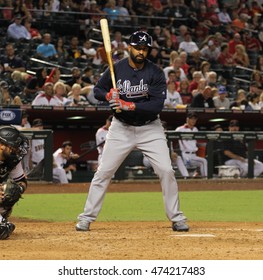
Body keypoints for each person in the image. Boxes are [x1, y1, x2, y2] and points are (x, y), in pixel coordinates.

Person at [76, 30, 189, 232]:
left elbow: (156, 106)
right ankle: (86, 217)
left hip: (150, 128)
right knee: (104, 172)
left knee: (166, 170)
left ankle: (177, 217)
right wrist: (109, 94)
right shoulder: (116, 68)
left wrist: (130, 105)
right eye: (137, 47)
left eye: (145, 48)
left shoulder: (155, 72)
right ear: (129, 47)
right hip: (121, 128)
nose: (141, 52)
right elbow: (97, 91)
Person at [0, 126, 29, 240]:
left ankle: (2, 219)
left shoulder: (12, 161)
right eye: (14, 147)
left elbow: (22, 181)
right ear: (2, 145)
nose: (17, 150)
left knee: (10, 189)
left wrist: (18, 189)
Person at [175, 112, 208, 178]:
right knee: (203, 161)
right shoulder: (180, 129)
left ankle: (204, 179)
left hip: (194, 155)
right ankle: (206, 179)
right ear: (187, 119)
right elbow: (173, 140)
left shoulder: (195, 129)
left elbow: (198, 143)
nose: (193, 120)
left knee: (203, 161)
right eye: (191, 118)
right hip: (185, 155)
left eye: (195, 119)